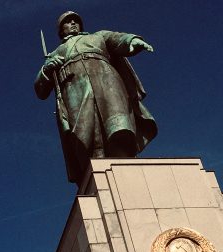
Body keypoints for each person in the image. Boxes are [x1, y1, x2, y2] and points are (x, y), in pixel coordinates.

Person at [34, 11, 157, 185]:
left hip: (106, 82)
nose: (73, 23)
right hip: (75, 89)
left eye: (75, 21)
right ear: (61, 30)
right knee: (86, 137)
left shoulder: (98, 36)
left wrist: (133, 41)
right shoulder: (55, 53)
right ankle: (95, 178)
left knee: (118, 125)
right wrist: (46, 71)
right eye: (68, 22)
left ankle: (127, 170)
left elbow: (117, 38)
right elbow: (40, 90)